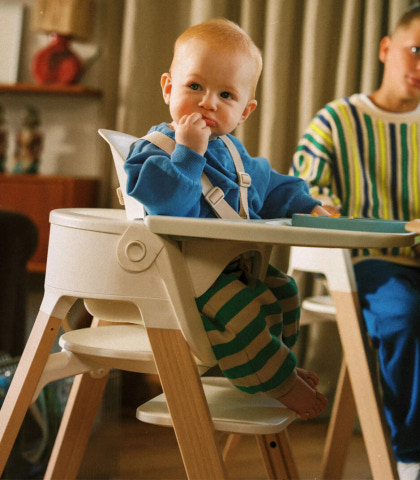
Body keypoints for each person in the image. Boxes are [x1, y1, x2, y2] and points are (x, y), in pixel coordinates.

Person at [124, 18, 329, 420]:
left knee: (285, 291)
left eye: (226, 94)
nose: (208, 103)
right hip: (183, 277)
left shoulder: (235, 154)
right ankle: (279, 381)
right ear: (168, 87)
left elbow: (273, 187)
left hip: (230, 269)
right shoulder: (152, 151)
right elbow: (170, 208)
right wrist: (188, 152)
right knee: (242, 311)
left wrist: (308, 206)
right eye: (194, 86)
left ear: (245, 110)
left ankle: (272, 364)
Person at [291, 5, 420, 478]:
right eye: (416, 50)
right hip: (369, 262)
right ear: (386, 48)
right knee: (404, 314)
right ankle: (412, 456)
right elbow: (306, 196)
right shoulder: (337, 121)